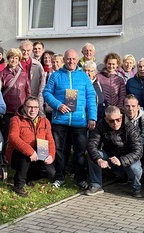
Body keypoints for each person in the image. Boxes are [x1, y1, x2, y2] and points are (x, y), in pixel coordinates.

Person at [43, 49, 97, 190]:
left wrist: (92, 117)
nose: (71, 61)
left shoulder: (84, 77)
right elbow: (46, 93)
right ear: (64, 60)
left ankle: (80, 178)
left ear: (77, 60)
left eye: (73, 59)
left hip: (79, 121)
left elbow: (91, 97)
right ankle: (59, 177)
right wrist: (58, 105)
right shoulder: (56, 76)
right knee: (60, 151)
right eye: (68, 59)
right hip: (60, 120)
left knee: (80, 151)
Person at [85, 105, 143, 197]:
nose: (115, 123)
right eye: (111, 121)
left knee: (134, 168)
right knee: (93, 154)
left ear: (121, 116)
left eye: (118, 120)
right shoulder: (101, 125)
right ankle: (96, 185)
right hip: (111, 159)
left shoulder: (130, 127)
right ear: (106, 119)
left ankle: (136, 188)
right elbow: (92, 143)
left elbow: (138, 151)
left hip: (127, 159)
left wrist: (121, 160)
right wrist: (98, 159)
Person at [6, 96, 56, 197]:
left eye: (35, 107)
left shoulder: (45, 121)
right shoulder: (16, 119)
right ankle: (18, 185)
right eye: (30, 107)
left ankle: (30, 177)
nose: (33, 110)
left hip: (39, 151)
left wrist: (51, 155)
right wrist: (30, 151)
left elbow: (50, 140)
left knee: (50, 172)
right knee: (25, 157)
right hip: (18, 153)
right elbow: (13, 137)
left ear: (39, 108)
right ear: (24, 107)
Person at [0, 48, 31, 150]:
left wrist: (28, 108)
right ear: (8, 59)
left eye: (16, 58)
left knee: (22, 136)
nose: (14, 60)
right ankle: (5, 159)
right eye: (12, 58)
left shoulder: (24, 74)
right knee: (7, 135)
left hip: (21, 111)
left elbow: (28, 92)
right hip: (7, 111)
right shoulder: (2, 74)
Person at [122, 94, 144, 181]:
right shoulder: (119, 118)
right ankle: (124, 176)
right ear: (123, 107)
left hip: (140, 145)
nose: (130, 109)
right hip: (125, 147)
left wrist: (134, 144)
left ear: (138, 107)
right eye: (127, 106)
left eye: (133, 106)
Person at [19, 40, 45, 113]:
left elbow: (42, 83)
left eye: (28, 50)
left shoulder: (37, 65)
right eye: (23, 50)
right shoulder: (16, 64)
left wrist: (40, 100)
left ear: (31, 51)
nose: (26, 52)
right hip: (19, 98)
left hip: (34, 97)